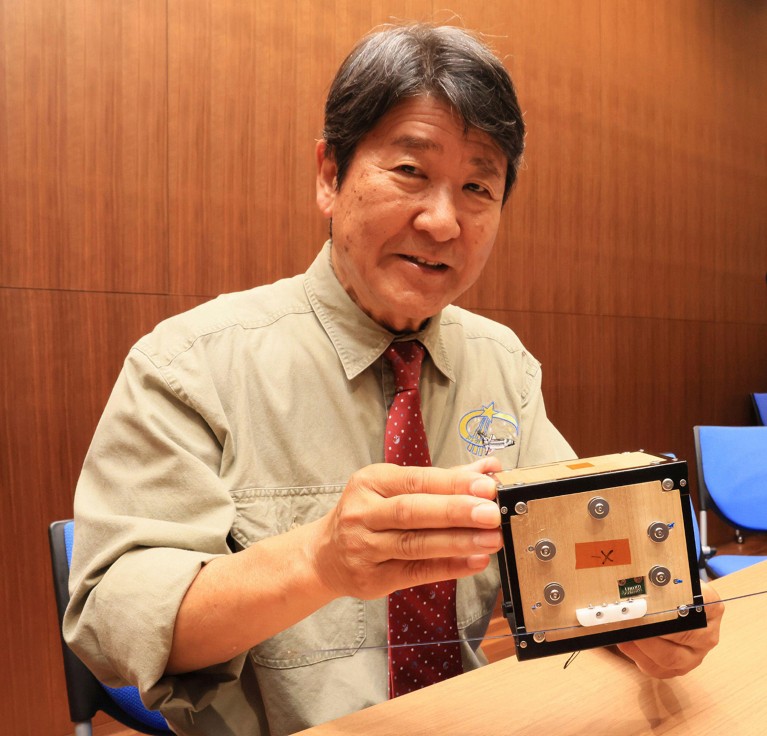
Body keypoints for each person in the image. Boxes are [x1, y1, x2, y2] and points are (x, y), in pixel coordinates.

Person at [64, 22, 722, 736]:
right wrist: (318, 560)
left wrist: (651, 615)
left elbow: (565, 553)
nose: (442, 221)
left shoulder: (501, 362)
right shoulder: (190, 362)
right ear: (329, 175)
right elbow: (112, 625)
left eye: (477, 186)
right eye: (409, 171)